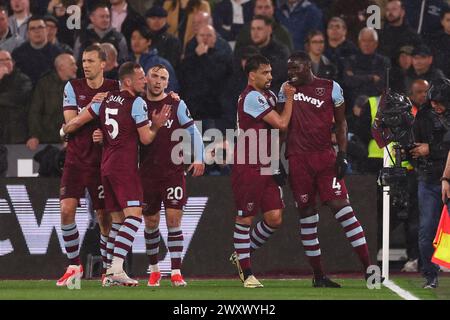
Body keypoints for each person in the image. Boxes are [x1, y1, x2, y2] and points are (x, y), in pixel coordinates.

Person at [62, 61, 171, 286]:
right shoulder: (137, 102)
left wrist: (64, 130)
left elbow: (79, 121)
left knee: (118, 221)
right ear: (129, 81)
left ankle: (109, 275)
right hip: (124, 166)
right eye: (142, 78)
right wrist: (157, 125)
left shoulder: (105, 98)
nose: (146, 81)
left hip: (106, 166)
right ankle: (116, 268)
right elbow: (145, 138)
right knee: (134, 216)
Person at [278, 51, 372, 287]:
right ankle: (319, 276)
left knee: (343, 209)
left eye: (295, 68)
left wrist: (342, 154)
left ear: (308, 66)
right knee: (307, 216)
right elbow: (281, 126)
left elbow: (341, 123)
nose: (291, 73)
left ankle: (369, 269)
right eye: (289, 69)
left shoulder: (332, 87)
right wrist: (276, 159)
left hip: (324, 157)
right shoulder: (286, 89)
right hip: (297, 159)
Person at [55, 44, 120, 287]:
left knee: (104, 216)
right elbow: (70, 124)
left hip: (102, 161)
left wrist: (104, 133)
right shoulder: (72, 87)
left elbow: (122, 123)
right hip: (75, 159)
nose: (85, 65)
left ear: (103, 64)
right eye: (83, 60)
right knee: (65, 210)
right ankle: (74, 265)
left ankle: (107, 269)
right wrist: (93, 105)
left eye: (91, 61)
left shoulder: (115, 88)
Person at [230, 54, 295, 288]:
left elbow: (277, 133)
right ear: (252, 75)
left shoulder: (266, 95)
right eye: (265, 72)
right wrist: (289, 99)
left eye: (270, 72)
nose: (270, 76)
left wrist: (275, 161)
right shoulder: (251, 97)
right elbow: (281, 123)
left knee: (274, 218)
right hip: (248, 163)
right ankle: (247, 273)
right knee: (245, 217)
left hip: (266, 162)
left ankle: (241, 253)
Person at [141, 64, 205, 287]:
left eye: (163, 78)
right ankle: (155, 270)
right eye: (155, 76)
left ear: (168, 83)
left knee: (173, 220)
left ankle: (176, 271)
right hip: (145, 173)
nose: (158, 81)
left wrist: (199, 157)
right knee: (150, 222)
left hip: (172, 172)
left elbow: (192, 131)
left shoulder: (176, 103)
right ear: (146, 79)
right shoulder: (138, 104)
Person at [410, 78, 450, 289]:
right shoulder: (423, 115)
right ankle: (430, 276)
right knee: (426, 231)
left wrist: (431, 149)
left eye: (440, 101)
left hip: (446, 178)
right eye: (433, 100)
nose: (435, 105)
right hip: (429, 180)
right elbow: (415, 147)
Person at [26, 53, 77, 151]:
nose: (76, 67)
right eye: (72, 64)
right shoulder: (44, 84)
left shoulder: (77, 86)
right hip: (46, 140)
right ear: (61, 67)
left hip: (68, 141)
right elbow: (35, 111)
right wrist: (34, 135)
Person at [11, 16, 63, 86]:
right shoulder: (17, 54)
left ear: (46, 30)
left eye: (40, 27)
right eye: (32, 28)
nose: (37, 31)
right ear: (28, 33)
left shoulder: (58, 53)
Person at [0, 49, 32, 144]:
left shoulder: (23, 80)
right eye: (1, 60)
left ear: (13, 63)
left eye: (8, 59)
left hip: (16, 134)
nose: (5, 63)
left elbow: (16, 99)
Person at [144, 6, 182, 70]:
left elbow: (173, 64)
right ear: (147, 20)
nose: (156, 21)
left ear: (165, 20)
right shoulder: (143, 39)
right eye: (153, 18)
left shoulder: (172, 41)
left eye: (160, 18)